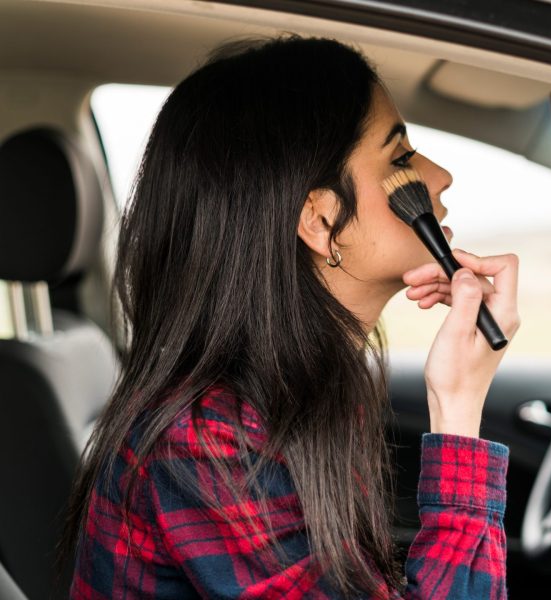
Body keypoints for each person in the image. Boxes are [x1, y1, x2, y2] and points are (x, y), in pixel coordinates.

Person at [62, 34, 520, 599]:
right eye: (400, 158)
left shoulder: (298, 395)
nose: (439, 175)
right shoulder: (208, 446)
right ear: (321, 221)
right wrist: (459, 405)